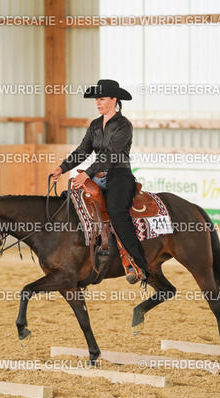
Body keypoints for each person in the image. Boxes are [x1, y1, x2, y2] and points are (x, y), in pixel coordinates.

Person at [51, 79, 150, 284]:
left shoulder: (124, 125)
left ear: (114, 100)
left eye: (102, 99)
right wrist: (62, 168)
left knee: (116, 211)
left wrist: (87, 174)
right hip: (97, 175)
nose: (97, 102)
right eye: (96, 99)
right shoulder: (95, 125)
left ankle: (137, 262)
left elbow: (110, 155)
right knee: (73, 202)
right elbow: (83, 150)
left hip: (119, 174)